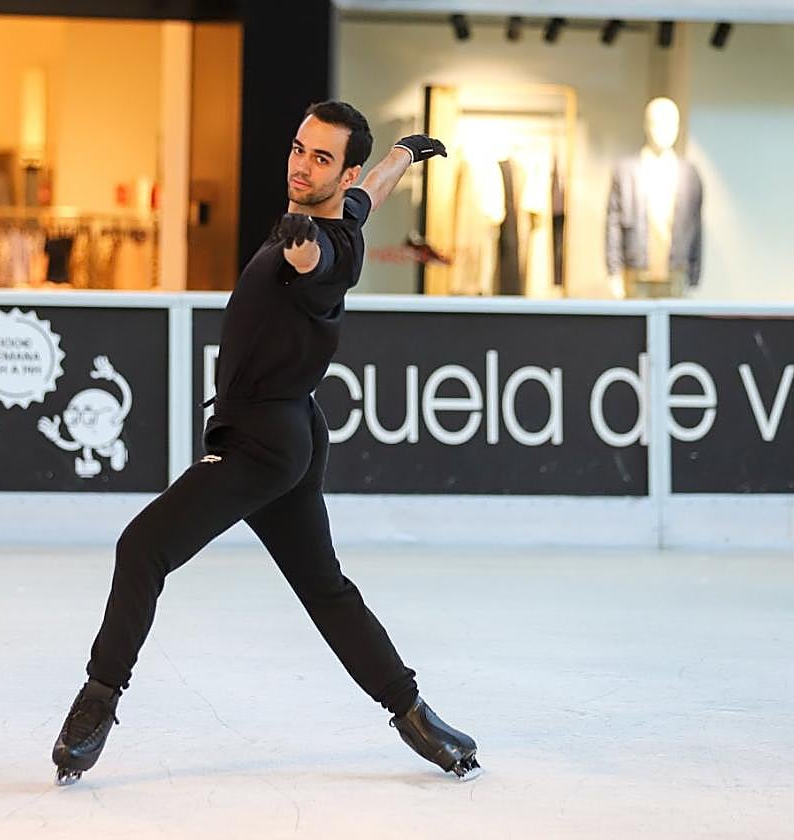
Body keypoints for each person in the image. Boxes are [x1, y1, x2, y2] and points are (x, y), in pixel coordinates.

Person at [52, 101, 480, 785]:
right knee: (324, 588)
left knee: (141, 548)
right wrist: (404, 154)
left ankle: (97, 702)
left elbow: (315, 258)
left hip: (261, 446)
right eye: (299, 148)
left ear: (342, 172)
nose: (301, 165)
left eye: (321, 158)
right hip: (292, 432)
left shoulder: (329, 250)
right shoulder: (347, 211)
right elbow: (368, 198)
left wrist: (300, 243)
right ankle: (418, 718)